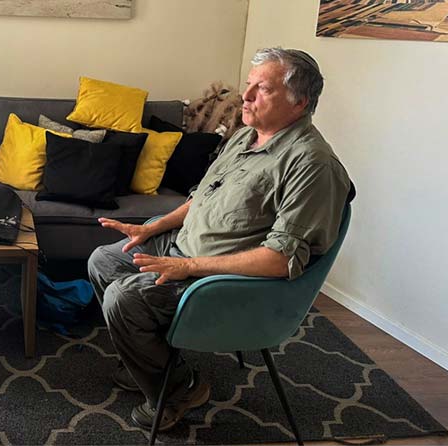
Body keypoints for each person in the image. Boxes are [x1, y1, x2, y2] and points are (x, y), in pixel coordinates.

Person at [88, 47, 352, 432]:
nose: (246, 96)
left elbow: (281, 259)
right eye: (249, 84)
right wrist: (152, 228)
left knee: (124, 298)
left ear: (300, 102)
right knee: (103, 260)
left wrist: (188, 266)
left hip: (222, 278)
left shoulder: (311, 164)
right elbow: (202, 197)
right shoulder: (244, 137)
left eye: (263, 89)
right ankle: (152, 359)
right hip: (182, 248)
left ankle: (180, 389)